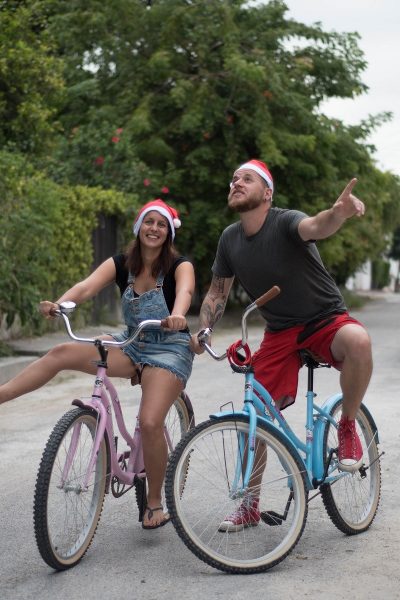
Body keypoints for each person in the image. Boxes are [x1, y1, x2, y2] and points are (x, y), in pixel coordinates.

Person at [191, 159, 372, 532]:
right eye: (234, 179)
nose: (236, 183)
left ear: (267, 192)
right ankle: (249, 504)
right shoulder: (229, 239)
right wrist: (205, 329)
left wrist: (337, 214)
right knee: (252, 415)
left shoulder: (285, 221)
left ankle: (349, 427)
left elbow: (316, 227)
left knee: (358, 340)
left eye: (247, 178)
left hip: (324, 318)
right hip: (280, 332)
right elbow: (217, 292)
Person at [0, 198, 195, 530]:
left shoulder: (179, 265)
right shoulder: (122, 263)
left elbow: (186, 292)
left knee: (149, 423)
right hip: (132, 340)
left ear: (168, 233)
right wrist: (61, 304)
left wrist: (177, 315)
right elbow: (87, 287)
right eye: (149, 222)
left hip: (169, 347)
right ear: (138, 227)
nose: (154, 229)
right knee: (62, 352)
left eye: (161, 224)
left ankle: (155, 503)